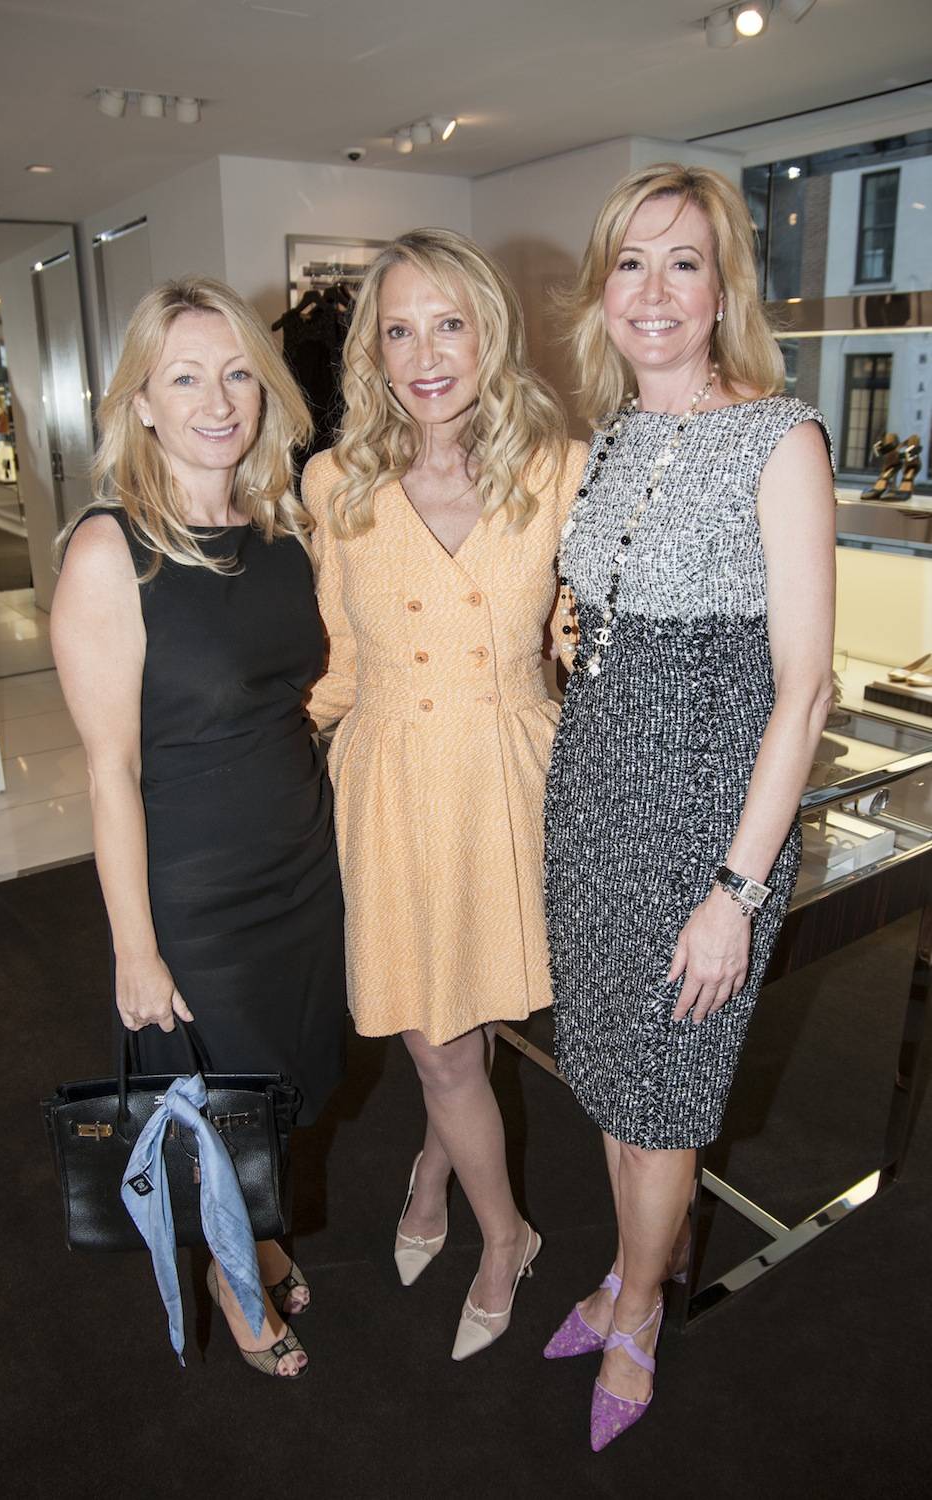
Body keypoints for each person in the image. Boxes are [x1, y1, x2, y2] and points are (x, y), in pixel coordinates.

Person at [542, 163, 835, 1449]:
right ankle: (624, 1270)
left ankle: (641, 1310)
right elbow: (606, 607)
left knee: (661, 1099)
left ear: (723, 293)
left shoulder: (780, 438)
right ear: (601, 291)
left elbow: (804, 690)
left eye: (682, 263)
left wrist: (734, 893)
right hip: (592, 808)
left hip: (703, 835)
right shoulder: (609, 437)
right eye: (629, 263)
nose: (653, 291)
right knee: (613, 1082)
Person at [51, 276, 346, 1379]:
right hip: (198, 890)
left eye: (237, 375)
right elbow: (110, 770)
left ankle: (255, 1235)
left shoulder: (282, 530)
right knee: (215, 1101)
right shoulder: (109, 552)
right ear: (141, 401)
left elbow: (300, 696)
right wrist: (135, 948)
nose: (217, 402)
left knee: (286, 1085)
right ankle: (233, 1274)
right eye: (185, 378)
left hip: (301, 866)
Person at [302, 228, 585, 1360]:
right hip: (390, 784)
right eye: (400, 331)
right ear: (372, 352)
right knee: (440, 1039)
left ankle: (436, 1172)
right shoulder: (336, 483)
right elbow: (336, 661)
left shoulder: (559, 468)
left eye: (449, 325)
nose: (426, 356)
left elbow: (585, 638)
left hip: (509, 775)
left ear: (490, 335)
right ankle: (508, 1232)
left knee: (462, 1015)